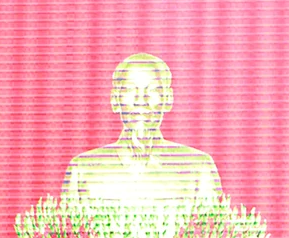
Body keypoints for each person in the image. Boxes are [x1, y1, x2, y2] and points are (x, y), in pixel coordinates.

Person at [62, 53, 222, 202]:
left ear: (168, 99)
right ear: (114, 100)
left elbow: (213, 231)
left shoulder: (198, 168)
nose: (141, 100)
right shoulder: (82, 169)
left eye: (152, 90)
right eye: (130, 89)